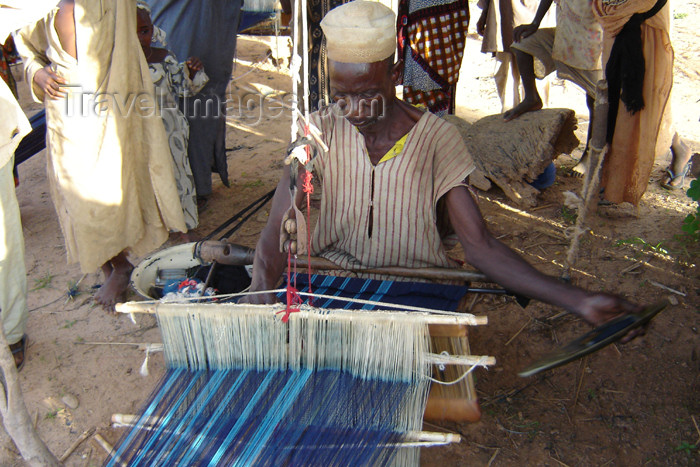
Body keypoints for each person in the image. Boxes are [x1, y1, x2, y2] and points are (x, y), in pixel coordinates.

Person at [243, 1, 641, 334]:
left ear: (396, 76)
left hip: (414, 291)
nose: (355, 111)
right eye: (342, 95)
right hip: (334, 282)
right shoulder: (318, 131)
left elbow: (479, 246)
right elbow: (279, 224)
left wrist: (579, 300)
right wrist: (260, 287)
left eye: (367, 93)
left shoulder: (436, 138)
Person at [14, 0, 187, 310]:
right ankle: (115, 265)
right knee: (78, 193)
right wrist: (37, 74)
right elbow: (26, 47)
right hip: (67, 109)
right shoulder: (36, 5)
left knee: (116, 186)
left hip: (117, 101)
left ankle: (116, 265)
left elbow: (139, 31)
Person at [146, 0, 244, 210]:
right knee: (174, 102)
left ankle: (195, 186)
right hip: (173, 24)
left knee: (200, 97)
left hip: (209, 22)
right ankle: (173, 192)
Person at [593, 0, 691, 202]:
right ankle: (615, 178)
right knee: (618, 102)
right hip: (614, 25)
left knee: (643, 103)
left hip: (648, 27)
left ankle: (620, 183)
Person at [504, 0, 603, 177]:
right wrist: (535, 23)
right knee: (524, 44)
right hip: (565, 37)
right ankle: (531, 98)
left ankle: (591, 155)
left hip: (592, 44)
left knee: (596, 100)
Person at [136, 2, 208, 230]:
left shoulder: (163, 57)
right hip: (140, 132)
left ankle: (183, 225)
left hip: (171, 131)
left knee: (178, 175)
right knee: (148, 177)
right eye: (132, 32)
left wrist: (193, 71)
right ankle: (156, 226)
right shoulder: (121, 67)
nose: (139, 38)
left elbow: (184, 89)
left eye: (144, 31)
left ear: (152, 30)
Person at [475, 0, 554, 113]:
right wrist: (485, 12)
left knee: (536, 66)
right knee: (507, 68)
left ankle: (533, 118)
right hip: (505, 10)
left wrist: (485, 11)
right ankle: (512, 116)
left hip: (534, 12)